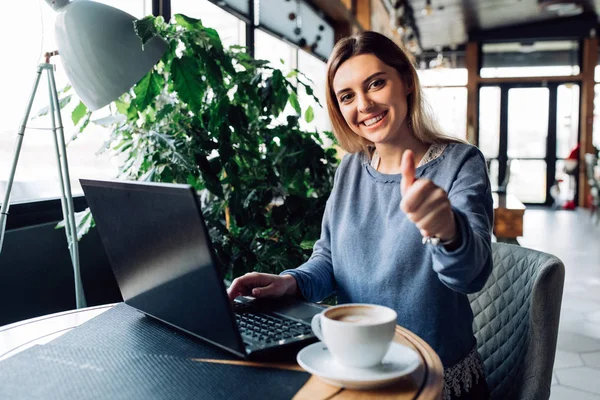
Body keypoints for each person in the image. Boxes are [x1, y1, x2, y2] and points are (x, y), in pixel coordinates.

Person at [228, 31, 493, 400]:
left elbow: (472, 275)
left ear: (405, 82)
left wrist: (447, 229)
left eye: (376, 83)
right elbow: (329, 259)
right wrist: (290, 283)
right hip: (356, 368)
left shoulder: (461, 163)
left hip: (434, 379)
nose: (364, 104)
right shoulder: (350, 168)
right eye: (347, 96)